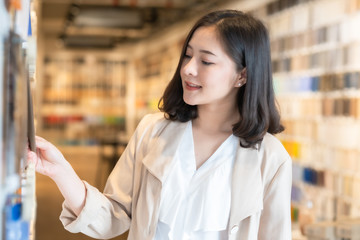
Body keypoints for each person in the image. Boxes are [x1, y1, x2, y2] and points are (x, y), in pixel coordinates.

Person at [28, 10, 292, 240]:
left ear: (242, 75)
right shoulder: (152, 131)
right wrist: (62, 172)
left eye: (206, 61)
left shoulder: (271, 158)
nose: (188, 68)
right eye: (188, 56)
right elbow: (113, 216)